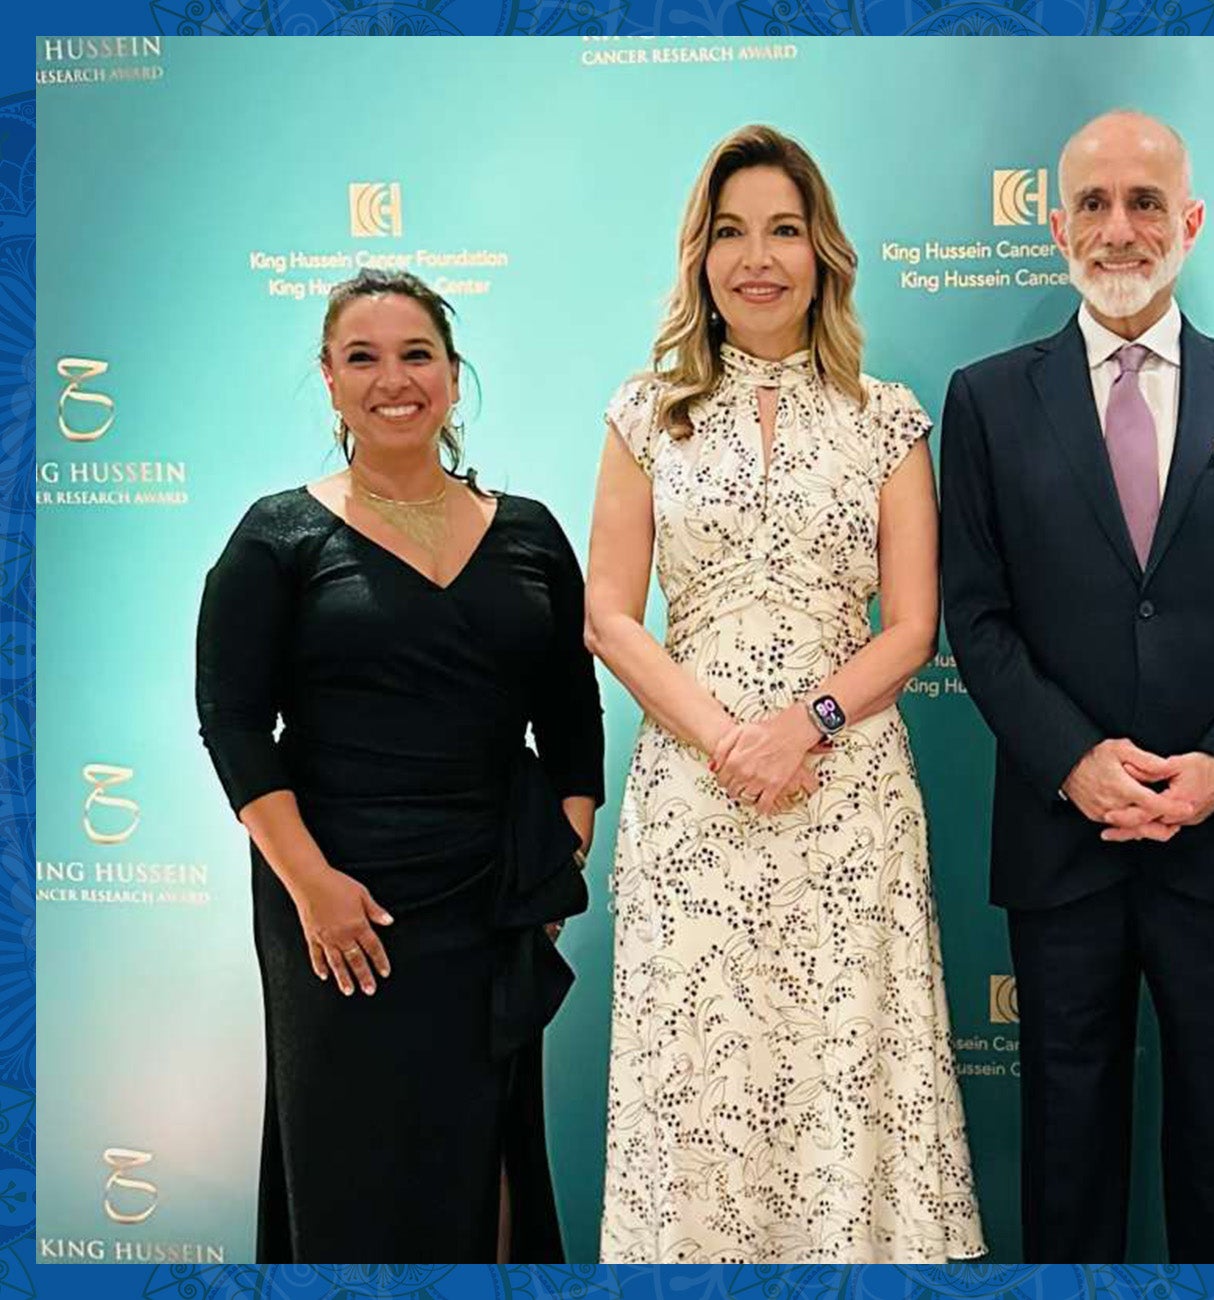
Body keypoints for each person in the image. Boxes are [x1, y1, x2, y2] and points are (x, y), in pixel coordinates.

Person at [938, 109, 1214, 1263]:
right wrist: (1074, 761)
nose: (1121, 230)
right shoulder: (987, 399)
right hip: (1064, 842)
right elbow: (977, 613)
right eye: (1097, 205)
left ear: (1190, 221)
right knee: (1068, 1144)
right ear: (1056, 223)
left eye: (1147, 203)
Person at [587, 123, 984, 1264]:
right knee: (701, 1085)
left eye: (783, 230)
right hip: (694, 794)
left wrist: (802, 725)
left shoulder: (887, 414)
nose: (757, 258)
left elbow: (912, 623)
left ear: (823, 252)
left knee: (846, 1073)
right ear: (700, 256)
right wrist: (725, 738)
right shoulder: (645, 413)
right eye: (730, 233)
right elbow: (610, 610)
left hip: (846, 793)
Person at [195, 269, 604, 1262]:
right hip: (340, 904)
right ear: (329, 382)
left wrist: (559, 862)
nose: (394, 379)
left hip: (488, 895)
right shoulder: (277, 536)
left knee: (486, 1153)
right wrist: (312, 885)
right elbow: (236, 725)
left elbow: (572, 720)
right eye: (363, 357)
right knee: (351, 1161)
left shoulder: (530, 533)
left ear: (454, 378)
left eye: (417, 354)